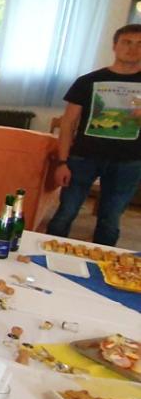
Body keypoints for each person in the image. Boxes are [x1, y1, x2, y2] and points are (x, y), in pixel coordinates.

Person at [47, 24, 141, 245]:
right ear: (115, 46)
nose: (133, 49)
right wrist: (62, 162)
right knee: (65, 213)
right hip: (83, 158)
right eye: (127, 42)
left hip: (129, 162)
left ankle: (100, 263)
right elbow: (68, 123)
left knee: (110, 219)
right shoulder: (88, 81)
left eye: (140, 44)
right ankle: (44, 256)